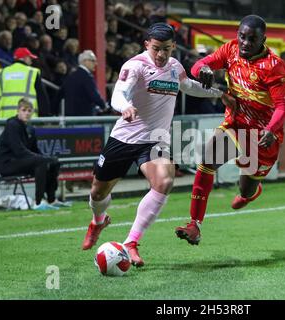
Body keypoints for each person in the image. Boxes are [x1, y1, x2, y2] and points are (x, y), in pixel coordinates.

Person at [81, 23, 235, 267]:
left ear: (173, 46)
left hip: (155, 140)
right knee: (98, 192)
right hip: (124, 138)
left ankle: (131, 242)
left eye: (166, 49)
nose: (161, 55)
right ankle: (98, 220)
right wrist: (125, 107)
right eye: (156, 49)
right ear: (146, 45)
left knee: (164, 180)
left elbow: (189, 86)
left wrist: (219, 94)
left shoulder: (175, 67)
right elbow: (118, 94)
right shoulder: (135, 66)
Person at [174, 15, 285, 245]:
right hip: (236, 124)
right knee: (208, 160)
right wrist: (203, 70)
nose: (245, 42)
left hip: (262, 136)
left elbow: (283, 105)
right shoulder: (230, 50)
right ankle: (194, 225)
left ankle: (250, 193)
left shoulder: (275, 66)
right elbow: (198, 65)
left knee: (245, 189)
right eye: (242, 36)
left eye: (252, 39)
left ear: (263, 40)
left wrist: (271, 128)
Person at [0, 98, 69, 210]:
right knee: (41, 162)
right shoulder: (12, 125)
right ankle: (38, 201)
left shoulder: (30, 129)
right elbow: (18, 151)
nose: (27, 113)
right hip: (7, 164)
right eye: (24, 110)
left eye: (29, 111)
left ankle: (52, 199)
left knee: (54, 162)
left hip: (19, 161)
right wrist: (42, 159)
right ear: (18, 111)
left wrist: (48, 159)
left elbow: (35, 150)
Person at [0, 47, 50, 118]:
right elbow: (42, 97)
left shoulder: (2, 73)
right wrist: (45, 115)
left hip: (5, 119)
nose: (31, 62)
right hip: (27, 118)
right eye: (30, 58)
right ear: (24, 58)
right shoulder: (32, 72)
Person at [54, 50, 108, 116]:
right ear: (85, 61)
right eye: (93, 61)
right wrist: (104, 106)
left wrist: (55, 112)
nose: (96, 64)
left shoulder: (70, 76)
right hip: (85, 117)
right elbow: (94, 95)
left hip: (69, 118)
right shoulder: (87, 77)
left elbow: (59, 95)